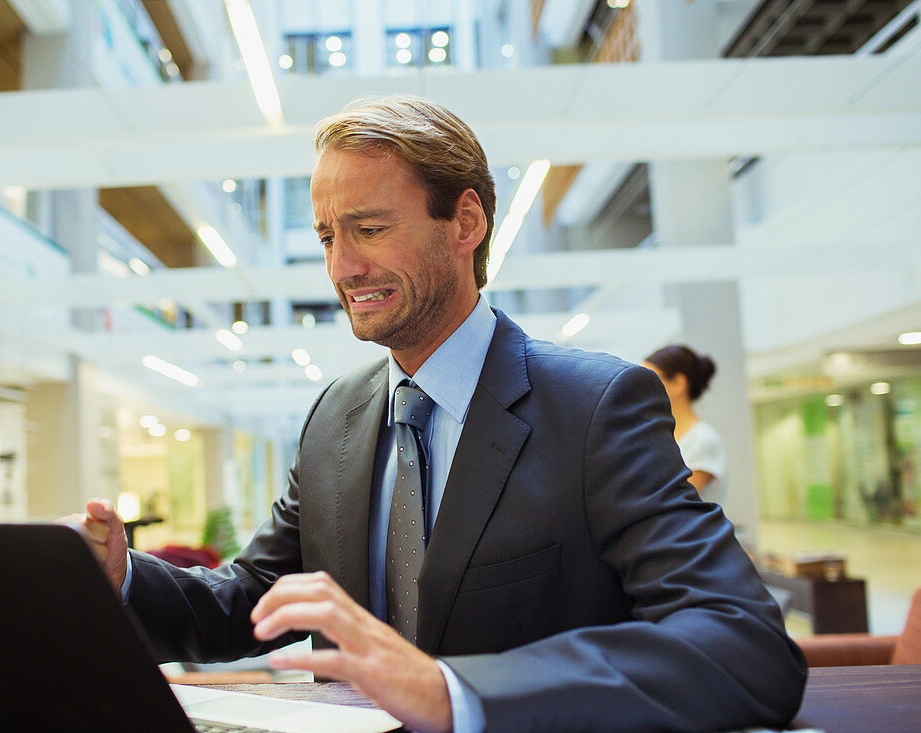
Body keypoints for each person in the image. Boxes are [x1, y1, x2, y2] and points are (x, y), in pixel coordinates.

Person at [70, 95, 806, 732]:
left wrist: (457, 693)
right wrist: (121, 578)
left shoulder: (595, 407)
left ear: (466, 222)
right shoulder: (336, 416)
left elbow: (742, 643)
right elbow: (255, 598)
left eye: (369, 228)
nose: (342, 267)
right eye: (329, 235)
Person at [644, 344, 728, 506]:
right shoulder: (658, 435)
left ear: (678, 383)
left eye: (649, 380)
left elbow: (675, 503)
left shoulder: (702, 440)